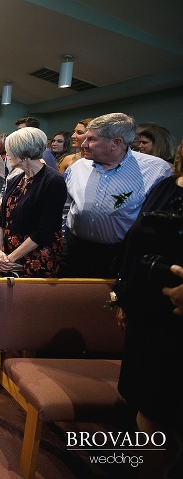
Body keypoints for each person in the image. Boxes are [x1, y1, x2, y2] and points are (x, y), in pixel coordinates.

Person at [113, 140, 183, 478]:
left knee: (160, 412)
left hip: (174, 321)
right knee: (140, 402)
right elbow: (135, 240)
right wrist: (123, 296)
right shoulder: (166, 185)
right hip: (146, 314)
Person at [60, 112, 172, 278]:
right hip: (74, 250)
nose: (84, 144)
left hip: (118, 256)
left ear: (116, 142)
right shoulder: (77, 167)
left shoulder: (157, 170)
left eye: (91, 139)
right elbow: (66, 207)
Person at [0, 127, 66, 277]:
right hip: (8, 258)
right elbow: (0, 219)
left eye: (10, 151)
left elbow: (45, 229)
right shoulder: (16, 179)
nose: (7, 155)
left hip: (36, 259)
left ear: (23, 153)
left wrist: (10, 258)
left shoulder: (53, 181)